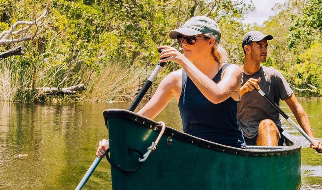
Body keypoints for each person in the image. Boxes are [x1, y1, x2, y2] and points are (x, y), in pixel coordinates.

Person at [96, 16, 245, 156]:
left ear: (210, 42)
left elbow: (216, 95)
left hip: (230, 153)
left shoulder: (232, 71)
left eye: (190, 39)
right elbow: (142, 118)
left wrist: (182, 61)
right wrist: (112, 140)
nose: (184, 43)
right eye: (182, 39)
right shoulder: (175, 80)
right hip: (194, 154)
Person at [238, 30, 322, 153]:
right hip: (241, 135)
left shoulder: (273, 76)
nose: (265, 50)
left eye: (266, 46)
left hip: (270, 134)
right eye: (260, 46)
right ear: (247, 49)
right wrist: (243, 90)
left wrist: (313, 139)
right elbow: (222, 105)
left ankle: (268, 163)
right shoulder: (233, 75)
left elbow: (296, 108)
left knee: (267, 125)